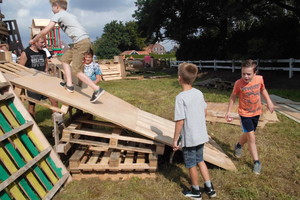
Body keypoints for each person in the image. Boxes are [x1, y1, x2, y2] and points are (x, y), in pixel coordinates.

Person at [29, 0, 105, 103]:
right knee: (64, 60)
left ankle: (96, 89)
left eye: (52, 7)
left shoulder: (59, 14)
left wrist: (34, 40)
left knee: (76, 70)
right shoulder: (70, 15)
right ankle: (69, 85)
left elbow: (45, 31)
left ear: (56, 6)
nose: (52, 10)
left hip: (81, 42)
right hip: (79, 42)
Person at [173, 63, 216, 199]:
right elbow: (204, 112)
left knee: (191, 164)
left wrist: (175, 140)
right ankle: (209, 188)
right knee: (200, 160)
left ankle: (196, 191)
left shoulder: (180, 97)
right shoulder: (199, 93)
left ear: (179, 78)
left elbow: (180, 121)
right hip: (201, 135)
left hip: (190, 139)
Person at [225, 59, 274, 175]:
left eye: (248, 74)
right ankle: (256, 162)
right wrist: (228, 111)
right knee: (251, 138)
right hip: (244, 113)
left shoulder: (259, 79)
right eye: (243, 74)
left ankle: (238, 145)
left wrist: (269, 101)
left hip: (257, 112)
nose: (245, 77)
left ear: (255, 73)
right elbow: (233, 97)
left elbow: (263, 89)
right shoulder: (238, 83)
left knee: (248, 134)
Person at [19, 35, 58, 118]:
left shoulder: (43, 52)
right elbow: (20, 69)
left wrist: (47, 73)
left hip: (44, 82)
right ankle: (33, 126)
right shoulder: (26, 53)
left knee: (54, 100)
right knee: (32, 105)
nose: (44, 44)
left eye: (44, 42)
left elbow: (46, 66)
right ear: (34, 42)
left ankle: (58, 123)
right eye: (42, 42)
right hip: (32, 83)